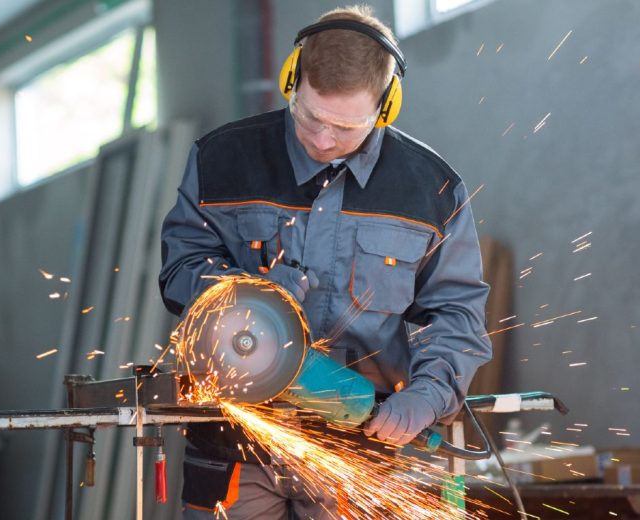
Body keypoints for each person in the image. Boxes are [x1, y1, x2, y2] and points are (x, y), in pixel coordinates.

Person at [158, 5, 492, 518]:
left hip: (360, 448)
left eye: (346, 126)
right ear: (292, 79)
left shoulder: (431, 190)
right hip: (235, 441)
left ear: (386, 107)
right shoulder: (223, 160)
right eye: (310, 115)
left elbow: (456, 314)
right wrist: (252, 300)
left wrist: (425, 396)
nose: (323, 139)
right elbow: (180, 268)